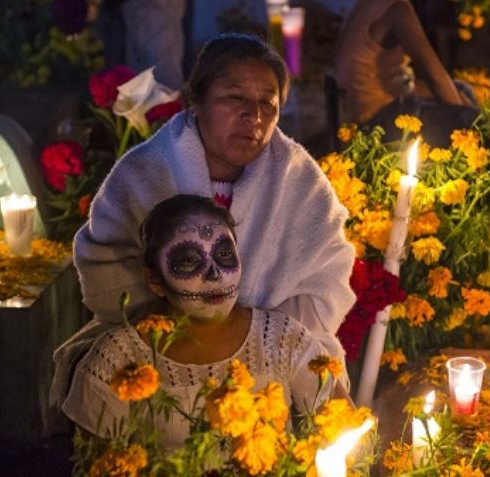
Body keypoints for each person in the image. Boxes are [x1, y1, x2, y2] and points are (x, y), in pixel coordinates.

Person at [50, 33, 356, 414]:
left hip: (271, 356)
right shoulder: (145, 170)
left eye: (267, 103)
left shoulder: (301, 182)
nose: (254, 116)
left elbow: (325, 284)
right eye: (234, 98)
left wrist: (254, 337)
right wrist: (191, 333)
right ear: (195, 99)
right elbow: (106, 271)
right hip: (162, 348)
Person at [62, 195, 337, 446]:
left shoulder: (283, 339)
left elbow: (344, 428)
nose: (215, 275)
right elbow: (93, 464)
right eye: (190, 261)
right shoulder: (117, 360)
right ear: (155, 280)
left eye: (224, 255)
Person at [334, 0, 479, 146]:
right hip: (374, 122)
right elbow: (435, 78)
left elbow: (387, 78)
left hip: (367, 105)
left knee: (462, 90)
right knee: (472, 120)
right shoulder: (398, 11)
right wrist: (465, 118)